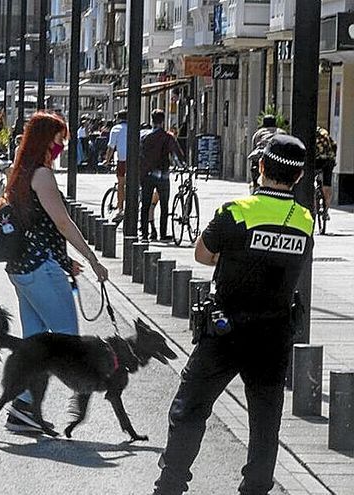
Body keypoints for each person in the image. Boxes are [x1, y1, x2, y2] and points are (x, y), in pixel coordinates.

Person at [153, 135, 314, 495]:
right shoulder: (304, 220)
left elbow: (202, 255)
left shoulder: (236, 211)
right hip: (273, 335)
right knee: (265, 421)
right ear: (299, 177)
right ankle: (255, 489)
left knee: (190, 408)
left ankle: (171, 485)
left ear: (260, 167)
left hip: (225, 331)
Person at [0, 111, 109, 433]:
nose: (62, 147)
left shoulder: (18, 172)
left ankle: (23, 409)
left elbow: (37, 228)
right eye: (60, 140)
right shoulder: (42, 175)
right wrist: (93, 260)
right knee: (68, 346)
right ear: (47, 140)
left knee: (36, 347)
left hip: (23, 269)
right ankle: (71, 408)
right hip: (41, 270)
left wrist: (63, 259)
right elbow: (61, 222)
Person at [140, 109, 185, 242]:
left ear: (152, 120)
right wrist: (182, 164)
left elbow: (140, 155)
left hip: (147, 175)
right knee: (164, 205)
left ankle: (144, 233)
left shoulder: (145, 136)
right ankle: (163, 234)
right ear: (163, 121)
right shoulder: (168, 137)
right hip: (163, 175)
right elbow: (176, 153)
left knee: (145, 204)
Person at [248, 115, 285, 193]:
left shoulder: (259, 133)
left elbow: (254, 147)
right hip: (276, 156)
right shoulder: (282, 132)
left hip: (261, 155)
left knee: (254, 166)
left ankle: (255, 184)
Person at [105, 111, 128, 222]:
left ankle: (120, 209)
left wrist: (107, 160)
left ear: (118, 119)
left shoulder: (116, 129)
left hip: (122, 160)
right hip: (134, 160)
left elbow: (111, 147)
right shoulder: (134, 128)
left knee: (121, 183)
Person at [314, 126, 336, 217]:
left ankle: (314, 209)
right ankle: (326, 211)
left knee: (309, 183)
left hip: (316, 160)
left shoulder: (310, 135)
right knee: (327, 185)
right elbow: (334, 145)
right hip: (329, 161)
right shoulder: (326, 134)